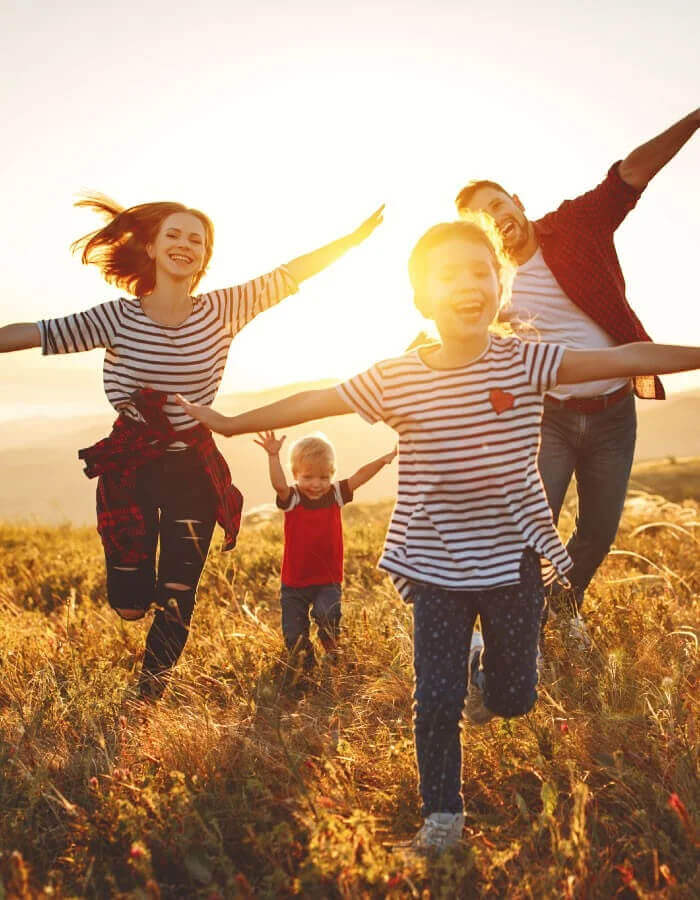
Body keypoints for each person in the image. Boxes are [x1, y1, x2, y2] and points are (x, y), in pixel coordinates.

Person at [176, 216, 700, 854]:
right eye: (447, 274)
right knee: (434, 698)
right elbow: (315, 400)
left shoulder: (528, 360)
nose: (467, 284)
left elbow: (626, 358)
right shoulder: (398, 377)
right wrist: (231, 423)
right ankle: (443, 817)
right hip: (435, 561)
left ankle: (488, 675)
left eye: (480, 271)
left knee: (513, 699)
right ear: (422, 296)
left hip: (514, 560)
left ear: (499, 286)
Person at [0, 194, 384, 700]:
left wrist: (352, 241)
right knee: (131, 603)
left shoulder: (224, 308)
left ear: (205, 257)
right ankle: (134, 596)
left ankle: (147, 695)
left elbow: (289, 275)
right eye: (174, 236)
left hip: (193, 469)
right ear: (154, 248)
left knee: (179, 593)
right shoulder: (117, 316)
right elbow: (36, 332)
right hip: (133, 467)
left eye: (196, 240)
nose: (185, 245)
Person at [455, 107, 699, 633]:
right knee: (528, 529)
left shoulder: (574, 225)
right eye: (479, 221)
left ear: (516, 203)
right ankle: (518, 624)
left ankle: (560, 608)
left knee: (597, 533)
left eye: (497, 205)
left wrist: (696, 117)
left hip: (614, 415)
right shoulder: (489, 283)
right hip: (550, 420)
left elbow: (629, 176)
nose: (495, 219)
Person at [254, 430, 396, 677]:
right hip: (294, 583)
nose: (316, 484)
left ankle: (333, 651)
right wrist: (273, 455)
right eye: (307, 477)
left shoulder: (335, 494)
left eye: (323, 477)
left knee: (328, 615)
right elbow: (278, 484)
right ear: (295, 475)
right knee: (293, 635)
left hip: (327, 579)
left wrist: (384, 459)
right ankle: (306, 667)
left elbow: (359, 476)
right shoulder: (294, 498)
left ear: (331, 475)